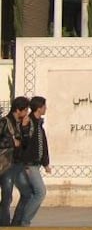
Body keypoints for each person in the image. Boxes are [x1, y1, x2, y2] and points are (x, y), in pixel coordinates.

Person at [11, 95, 49, 225]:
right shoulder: (29, 122)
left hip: (34, 164)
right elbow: (24, 144)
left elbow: (42, 144)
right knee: (40, 192)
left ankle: (17, 222)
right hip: (29, 165)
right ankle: (25, 222)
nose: (46, 109)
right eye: (44, 106)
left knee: (28, 194)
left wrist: (45, 163)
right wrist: (26, 165)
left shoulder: (38, 124)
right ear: (39, 108)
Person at [0, 97, 30, 226]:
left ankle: (16, 223)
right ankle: (4, 224)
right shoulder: (4, 122)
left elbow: (25, 143)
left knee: (27, 193)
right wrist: (12, 142)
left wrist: (24, 128)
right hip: (6, 164)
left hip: (18, 164)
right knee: (7, 197)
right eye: (25, 110)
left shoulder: (22, 123)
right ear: (18, 110)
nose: (27, 112)